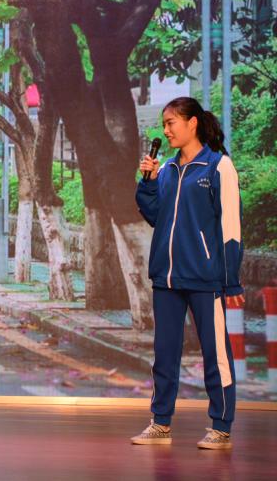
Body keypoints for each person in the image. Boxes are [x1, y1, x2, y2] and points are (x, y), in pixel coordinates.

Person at [132, 97, 243, 450]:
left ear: (192, 123)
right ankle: (160, 423)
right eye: (164, 125)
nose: (166, 131)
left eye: (171, 123)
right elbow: (155, 216)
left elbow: (230, 227)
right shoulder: (166, 170)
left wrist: (231, 280)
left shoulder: (219, 166)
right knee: (164, 355)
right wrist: (148, 183)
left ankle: (221, 426)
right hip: (166, 277)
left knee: (215, 354)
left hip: (205, 278)